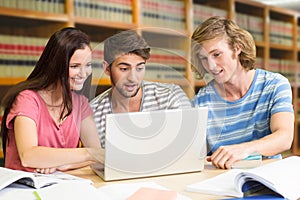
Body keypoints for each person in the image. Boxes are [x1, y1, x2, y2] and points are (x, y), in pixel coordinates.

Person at [191, 16, 294, 169]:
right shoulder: (200, 102)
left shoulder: (274, 85)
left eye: (217, 54)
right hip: (220, 184)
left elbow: (284, 138)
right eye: (204, 58)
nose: (211, 66)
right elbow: (193, 155)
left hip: (267, 181)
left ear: (237, 48)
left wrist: (244, 149)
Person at [0, 27, 102, 174]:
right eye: (74, 66)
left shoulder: (80, 104)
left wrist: (62, 164)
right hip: (24, 188)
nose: (84, 73)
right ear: (55, 65)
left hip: (61, 185)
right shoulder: (27, 100)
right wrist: (87, 153)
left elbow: (97, 155)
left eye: (88, 65)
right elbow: (29, 156)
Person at [90, 30, 192, 148]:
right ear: (107, 68)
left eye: (139, 68)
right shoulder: (92, 113)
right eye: (124, 69)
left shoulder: (171, 97)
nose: (133, 78)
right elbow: (93, 161)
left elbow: (191, 147)